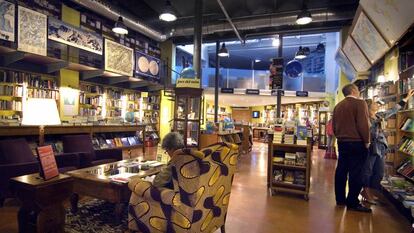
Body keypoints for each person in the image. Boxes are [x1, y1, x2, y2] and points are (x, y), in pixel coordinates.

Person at [361, 89, 414, 204]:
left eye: (377, 107)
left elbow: (393, 110)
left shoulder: (379, 116)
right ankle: (366, 192)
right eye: (374, 107)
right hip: (370, 147)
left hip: (380, 147)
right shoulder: (365, 119)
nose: (376, 108)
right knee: (367, 171)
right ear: (368, 108)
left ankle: (372, 192)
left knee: (379, 172)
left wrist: (405, 99)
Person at [333, 83, 371, 212]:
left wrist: (339, 137)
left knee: (341, 170)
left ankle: (340, 199)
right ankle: (352, 202)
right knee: (356, 173)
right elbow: (363, 124)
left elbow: (334, 126)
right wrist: (367, 141)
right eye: (358, 89)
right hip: (356, 142)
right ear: (354, 90)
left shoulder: (338, 106)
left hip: (342, 142)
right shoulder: (360, 104)